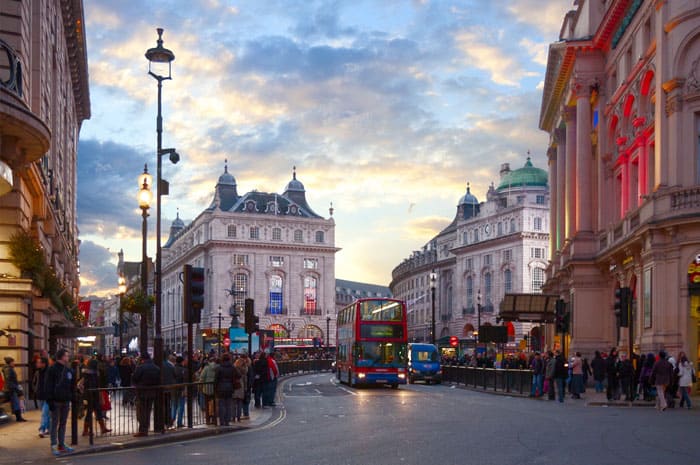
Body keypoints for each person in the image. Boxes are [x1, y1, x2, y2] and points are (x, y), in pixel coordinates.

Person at [45, 349, 75, 455]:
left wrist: (71, 397)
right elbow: (48, 385)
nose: (68, 357)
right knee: (54, 423)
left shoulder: (69, 370)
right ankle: (54, 445)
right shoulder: (52, 369)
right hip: (55, 401)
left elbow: (71, 385)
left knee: (63, 423)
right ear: (61, 357)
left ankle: (61, 444)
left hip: (65, 400)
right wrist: (50, 401)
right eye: (66, 356)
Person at [80, 358, 111, 436]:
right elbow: (89, 385)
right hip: (90, 395)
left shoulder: (94, 373)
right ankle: (86, 430)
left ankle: (102, 428)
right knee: (90, 413)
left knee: (98, 411)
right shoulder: (88, 374)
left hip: (94, 395)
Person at [131, 353, 160, 436]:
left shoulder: (141, 367)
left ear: (142, 359)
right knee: (147, 411)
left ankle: (142, 430)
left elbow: (135, 378)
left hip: (142, 392)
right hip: (152, 392)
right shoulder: (156, 368)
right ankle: (145, 428)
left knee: (141, 412)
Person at [214, 353, 237, 426]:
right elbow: (238, 375)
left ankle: (222, 421)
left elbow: (216, 379)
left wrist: (215, 388)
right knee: (228, 405)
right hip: (230, 387)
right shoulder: (232, 367)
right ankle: (227, 421)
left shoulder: (219, 368)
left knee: (221, 405)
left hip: (221, 387)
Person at [2, 356, 26, 422]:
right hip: (12, 389)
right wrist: (15, 388)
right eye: (13, 362)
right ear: (10, 363)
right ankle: (18, 417)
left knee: (16, 403)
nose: (14, 363)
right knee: (16, 403)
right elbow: (9, 380)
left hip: (12, 388)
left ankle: (19, 417)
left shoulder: (9, 368)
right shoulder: (8, 369)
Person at [32, 356, 50, 437]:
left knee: (44, 413)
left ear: (44, 364)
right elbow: (34, 382)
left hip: (48, 396)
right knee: (46, 414)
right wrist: (35, 390)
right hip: (40, 395)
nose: (37, 364)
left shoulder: (49, 372)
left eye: (38, 362)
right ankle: (48, 428)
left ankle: (42, 429)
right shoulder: (37, 372)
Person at [199, 356, 218, 425]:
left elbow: (202, 378)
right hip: (215, 388)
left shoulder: (206, 368)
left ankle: (208, 419)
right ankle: (214, 418)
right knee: (214, 404)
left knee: (207, 404)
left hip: (207, 388)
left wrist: (200, 386)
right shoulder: (217, 368)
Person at [172, 356, 186, 428]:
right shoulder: (183, 370)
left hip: (173, 389)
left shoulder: (173, 368)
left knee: (174, 406)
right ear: (181, 362)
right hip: (181, 389)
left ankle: (172, 420)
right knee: (181, 406)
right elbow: (184, 379)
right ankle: (179, 422)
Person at [233, 356, 247, 421]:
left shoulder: (233, 369)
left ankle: (233, 417)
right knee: (239, 403)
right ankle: (238, 417)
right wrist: (245, 388)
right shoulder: (244, 371)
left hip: (234, 387)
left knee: (233, 403)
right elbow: (245, 381)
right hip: (241, 387)